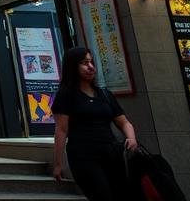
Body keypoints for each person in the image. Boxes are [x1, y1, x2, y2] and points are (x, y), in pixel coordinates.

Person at [52, 47, 138, 200]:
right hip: (83, 156)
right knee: (102, 195)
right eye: (85, 63)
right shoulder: (66, 96)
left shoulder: (104, 94)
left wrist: (131, 138)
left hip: (111, 154)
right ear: (73, 66)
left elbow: (124, 122)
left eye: (91, 62)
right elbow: (61, 130)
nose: (91, 67)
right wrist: (58, 163)